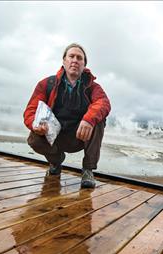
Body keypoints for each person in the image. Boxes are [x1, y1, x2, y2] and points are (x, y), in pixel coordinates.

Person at [24, 43, 110, 188]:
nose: (75, 60)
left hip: (80, 136)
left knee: (98, 120)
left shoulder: (93, 87)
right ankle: (56, 162)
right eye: (71, 56)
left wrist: (88, 119)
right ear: (64, 61)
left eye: (79, 58)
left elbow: (103, 103)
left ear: (84, 65)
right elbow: (30, 111)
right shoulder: (46, 84)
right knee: (33, 139)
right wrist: (36, 124)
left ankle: (88, 170)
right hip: (54, 137)